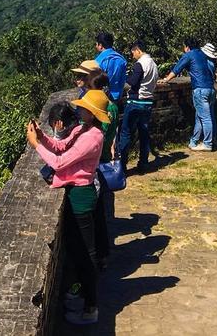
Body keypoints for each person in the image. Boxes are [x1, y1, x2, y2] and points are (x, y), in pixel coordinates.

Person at [27, 88, 110, 326]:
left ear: (92, 113)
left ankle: (91, 306)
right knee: (77, 249)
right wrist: (42, 137)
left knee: (86, 253)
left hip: (82, 195)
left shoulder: (93, 136)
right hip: (76, 193)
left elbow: (59, 161)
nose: (79, 109)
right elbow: (61, 148)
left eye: (84, 107)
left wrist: (35, 146)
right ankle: (84, 297)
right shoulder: (82, 130)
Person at [160, 37, 216, 152]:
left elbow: (177, 69)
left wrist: (166, 79)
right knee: (200, 116)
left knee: (205, 118)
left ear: (187, 47)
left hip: (200, 89)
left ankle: (207, 144)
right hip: (210, 89)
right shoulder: (203, 54)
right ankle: (194, 141)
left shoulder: (189, 55)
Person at [88, 70, 120, 266]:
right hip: (105, 156)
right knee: (103, 211)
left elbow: (101, 134)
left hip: (98, 160)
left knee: (98, 214)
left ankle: (100, 256)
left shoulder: (103, 109)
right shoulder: (114, 106)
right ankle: (102, 254)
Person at [118, 40, 157, 171]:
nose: (133, 55)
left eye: (133, 52)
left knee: (126, 133)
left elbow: (133, 82)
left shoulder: (139, 64)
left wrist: (126, 77)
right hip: (148, 102)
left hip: (136, 102)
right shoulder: (153, 64)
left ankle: (122, 164)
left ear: (138, 50)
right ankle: (144, 162)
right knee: (144, 133)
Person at [94, 32, 128, 106]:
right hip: (116, 97)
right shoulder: (121, 59)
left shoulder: (98, 61)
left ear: (100, 45)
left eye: (96, 44)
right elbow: (122, 80)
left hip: (101, 99)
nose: (96, 46)